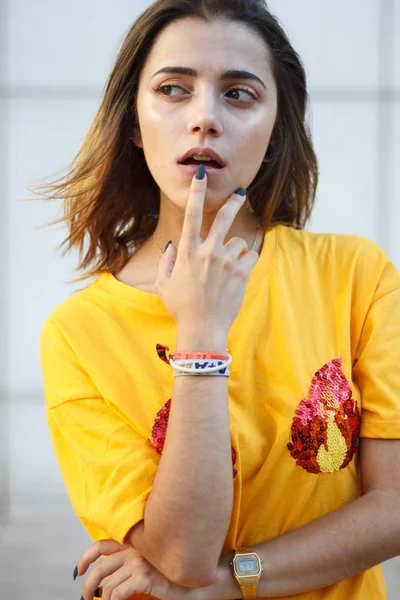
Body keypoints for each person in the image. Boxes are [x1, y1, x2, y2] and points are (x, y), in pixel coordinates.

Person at [38, 1, 400, 599]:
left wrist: (235, 579)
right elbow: (182, 553)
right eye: (173, 89)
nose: (204, 118)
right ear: (134, 121)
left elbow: (393, 507)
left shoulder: (355, 275)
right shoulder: (78, 334)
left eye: (239, 94)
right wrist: (202, 335)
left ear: (277, 127)